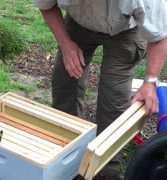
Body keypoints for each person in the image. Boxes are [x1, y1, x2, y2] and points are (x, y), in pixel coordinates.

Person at [33, 0, 167, 179]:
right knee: (65, 84)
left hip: (125, 29)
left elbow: (159, 35)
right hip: (78, 23)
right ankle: (65, 153)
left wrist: (150, 81)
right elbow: (46, 6)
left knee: (114, 96)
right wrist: (66, 45)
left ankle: (106, 168)